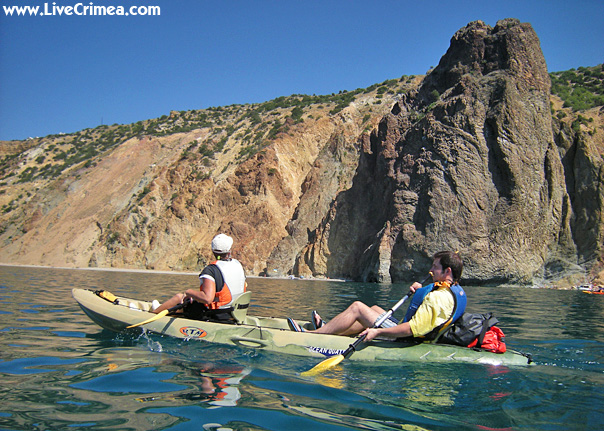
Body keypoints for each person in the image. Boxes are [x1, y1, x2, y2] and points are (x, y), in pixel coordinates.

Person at [287, 251, 466, 343]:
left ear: (447, 270)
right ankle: (332, 330)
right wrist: (419, 291)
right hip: (417, 332)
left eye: (435, 267)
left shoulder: (439, 299)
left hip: (408, 338)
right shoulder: (453, 290)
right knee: (373, 310)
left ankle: (313, 335)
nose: (431, 270)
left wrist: (378, 332)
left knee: (357, 307)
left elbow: (412, 329)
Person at [152, 233, 247, 322]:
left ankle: (154, 314)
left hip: (216, 316)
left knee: (180, 297)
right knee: (191, 301)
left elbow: (207, 298)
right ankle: (164, 310)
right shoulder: (237, 264)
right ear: (229, 250)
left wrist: (188, 292)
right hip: (234, 313)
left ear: (213, 250)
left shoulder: (210, 270)